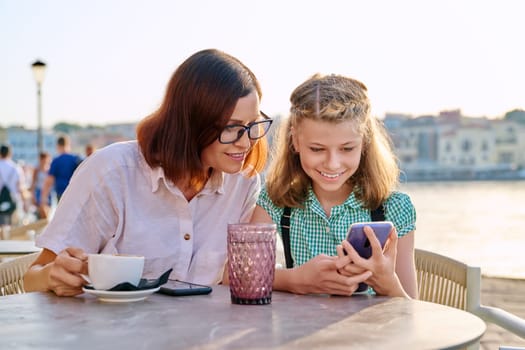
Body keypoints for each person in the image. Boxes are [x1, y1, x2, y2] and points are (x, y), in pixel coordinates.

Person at [23, 48, 272, 297]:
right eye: (232, 128)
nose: (246, 142)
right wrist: (53, 276)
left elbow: (239, 277)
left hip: (208, 334)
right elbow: (33, 278)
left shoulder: (244, 183)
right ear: (192, 123)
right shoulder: (111, 172)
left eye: (252, 125)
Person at [251, 74, 418, 298]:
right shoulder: (276, 201)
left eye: (347, 149)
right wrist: (295, 279)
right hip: (298, 330)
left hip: (372, 332)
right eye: (317, 149)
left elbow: (411, 309)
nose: (332, 163)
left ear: (364, 143)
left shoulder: (394, 208)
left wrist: (387, 283)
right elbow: (236, 274)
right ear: (295, 141)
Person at [39, 135, 82, 208]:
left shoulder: (56, 161)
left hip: (61, 194)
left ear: (58, 146)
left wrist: (43, 199)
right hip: (75, 194)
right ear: (68, 145)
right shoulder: (76, 159)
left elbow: (49, 181)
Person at [0, 144, 28, 226]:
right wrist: (25, 204)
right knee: (13, 231)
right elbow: (20, 187)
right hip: (14, 202)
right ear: (10, 154)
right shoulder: (16, 168)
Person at [29, 151, 52, 219]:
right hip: (39, 192)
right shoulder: (37, 169)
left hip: (48, 193)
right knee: (42, 213)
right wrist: (33, 196)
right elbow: (33, 183)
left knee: (48, 213)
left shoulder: (50, 169)